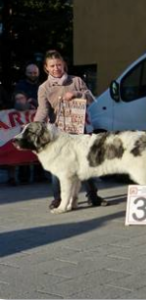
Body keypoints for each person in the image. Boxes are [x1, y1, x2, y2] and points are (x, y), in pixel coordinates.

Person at [34, 50, 108, 210]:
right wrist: (35, 126)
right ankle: (58, 199)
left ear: (64, 64)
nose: (56, 68)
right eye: (52, 66)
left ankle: (93, 196)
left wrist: (76, 93)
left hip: (78, 130)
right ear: (46, 68)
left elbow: (90, 99)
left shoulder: (77, 80)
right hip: (57, 133)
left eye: (59, 65)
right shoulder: (44, 88)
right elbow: (43, 110)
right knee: (56, 168)